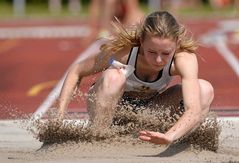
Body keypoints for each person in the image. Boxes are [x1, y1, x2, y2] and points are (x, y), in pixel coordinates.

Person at [57, 11, 214, 145]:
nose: (159, 60)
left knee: (205, 89)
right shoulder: (124, 53)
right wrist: (59, 116)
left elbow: (193, 109)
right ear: (141, 42)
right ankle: (99, 137)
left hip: (147, 111)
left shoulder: (184, 60)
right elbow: (76, 70)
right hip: (112, 108)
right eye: (152, 52)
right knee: (114, 76)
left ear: (177, 44)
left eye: (166, 53)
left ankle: (180, 140)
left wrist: (169, 136)